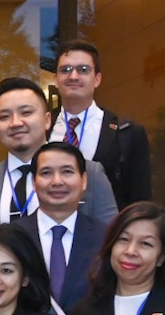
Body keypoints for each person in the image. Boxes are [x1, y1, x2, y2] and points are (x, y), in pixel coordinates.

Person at [0, 77, 117, 246]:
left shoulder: (90, 173)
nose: (15, 123)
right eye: (4, 116)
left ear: (48, 119)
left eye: (26, 113)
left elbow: (111, 241)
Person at [52, 39, 153, 208]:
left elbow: (140, 203)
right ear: (56, 79)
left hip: (107, 232)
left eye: (83, 70)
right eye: (65, 70)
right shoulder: (41, 128)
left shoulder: (127, 134)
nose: (73, 76)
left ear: (97, 79)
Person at [14, 142, 104, 315]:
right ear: (33, 182)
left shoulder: (106, 238)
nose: (57, 181)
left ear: (84, 180)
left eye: (67, 172)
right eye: (46, 173)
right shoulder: (12, 237)